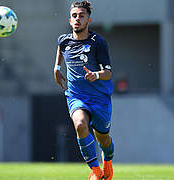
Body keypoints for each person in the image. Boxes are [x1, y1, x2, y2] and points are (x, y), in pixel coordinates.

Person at [54, 1, 114, 180]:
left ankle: (108, 162)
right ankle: (95, 171)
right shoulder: (64, 41)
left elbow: (108, 73)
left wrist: (96, 75)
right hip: (76, 96)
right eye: (74, 16)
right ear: (70, 20)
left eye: (81, 15)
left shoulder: (98, 43)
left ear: (89, 19)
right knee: (80, 124)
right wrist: (56, 68)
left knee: (103, 139)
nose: (77, 19)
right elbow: (60, 49)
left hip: (99, 98)